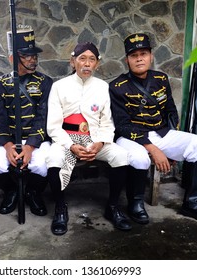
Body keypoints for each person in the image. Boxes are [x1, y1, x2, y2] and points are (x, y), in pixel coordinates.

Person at [109, 32, 197, 227]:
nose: (139, 59)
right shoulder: (117, 86)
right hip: (130, 137)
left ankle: (193, 203)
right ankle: (135, 203)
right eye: (134, 55)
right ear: (127, 60)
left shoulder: (161, 78)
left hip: (160, 132)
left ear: (151, 56)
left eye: (143, 54)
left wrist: (172, 149)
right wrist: (154, 149)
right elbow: (122, 125)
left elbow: (170, 112)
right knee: (140, 157)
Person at [46, 42, 147, 235]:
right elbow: (53, 126)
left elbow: (107, 122)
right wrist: (72, 145)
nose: (86, 63)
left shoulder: (102, 87)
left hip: (94, 140)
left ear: (97, 64)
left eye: (92, 59)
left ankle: (113, 207)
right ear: (72, 61)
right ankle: (60, 208)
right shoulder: (59, 87)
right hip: (66, 140)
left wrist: (99, 143)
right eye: (82, 58)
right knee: (53, 159)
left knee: (121, 156)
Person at [0, 28, 52, 217]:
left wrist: (30, 147)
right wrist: (7, 147)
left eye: (33, 55)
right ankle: (11, 191)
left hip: (36, 140)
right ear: (13, 58)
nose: (32, 59)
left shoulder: (46, 82)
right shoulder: (0, 84)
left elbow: (43, 117)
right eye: (26, 55)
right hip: (10, 140)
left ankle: (33, 192)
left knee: (44, 165)